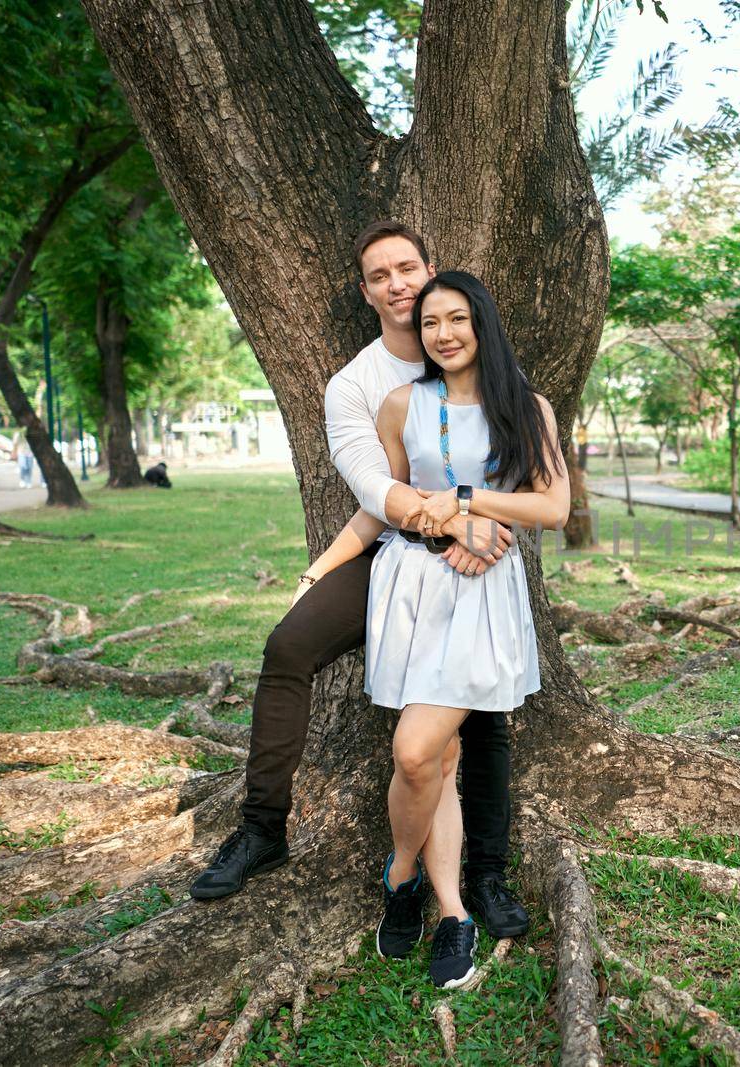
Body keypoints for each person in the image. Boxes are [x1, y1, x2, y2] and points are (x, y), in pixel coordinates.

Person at [187, 223, 531, 953]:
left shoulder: (485, 368)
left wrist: (487, 525)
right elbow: (376, 490)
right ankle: (260, 829)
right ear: (367, 291)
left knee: (480, 709)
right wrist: (447, 528)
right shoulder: (357, 384)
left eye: (409, 268)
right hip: (394, 554)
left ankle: (487, 874)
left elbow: (521, 475)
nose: (399, 284)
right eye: (381, 275)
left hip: (476, 558)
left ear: (433, 273)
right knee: (287, 645)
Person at [296, 269, 567, 986]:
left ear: (481, 322)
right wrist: (322, 567)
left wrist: (472, 501)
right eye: (429, 324)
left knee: (414, 751)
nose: (442, 335)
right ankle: (449, 909)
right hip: (412, 591)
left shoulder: (525, 407)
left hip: (481, 598)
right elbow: (379, 505)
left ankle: (400, 870)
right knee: (437, 762)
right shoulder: (399, 404)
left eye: (456, 320)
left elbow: (556, 506)